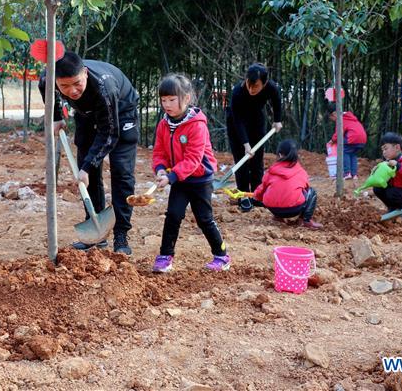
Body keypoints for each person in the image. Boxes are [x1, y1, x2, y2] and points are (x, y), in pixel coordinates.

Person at [39, 51, 138, 255]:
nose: (72, 91)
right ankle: (96, 234)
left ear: (84, 72)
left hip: (121, 109)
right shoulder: (48, 78)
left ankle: (121, 235)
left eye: (76, 83)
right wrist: (57, 116)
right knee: (88, 173)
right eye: (64, 86)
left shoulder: (104, 86)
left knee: (121, 172)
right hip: (86, 113)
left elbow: (110, 133)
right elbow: (44, 88)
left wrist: (86, 167)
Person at [150, 74, 229, 273]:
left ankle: (222, 255)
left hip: (200, 178)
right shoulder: (163, 124)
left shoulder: (197, 125)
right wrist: (160, 169)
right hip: (178, 178)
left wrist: (171, 177)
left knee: (204, 219)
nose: (166, 104)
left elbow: (194, 159)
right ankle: (165, 256)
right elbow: (159, 152)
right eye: (163, 100)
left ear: (186, 98)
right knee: (173, 215)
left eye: (171, 100)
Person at [225, 63, 283, 212]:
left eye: (255, 86)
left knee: (257, 161)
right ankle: (244, 196)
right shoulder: (238, 92)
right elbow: (237, 120)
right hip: (237, 125)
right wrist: (245, 144)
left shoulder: (271, 87)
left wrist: (277, 120)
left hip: (257, 121)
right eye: (249, 85)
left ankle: (256, 195)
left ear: (264, 83)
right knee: (242, 161)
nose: (251, 89)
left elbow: (276, 100)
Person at [251, 139, 322, 229]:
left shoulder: (271, 171)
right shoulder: (301, 171)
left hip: (274, 209)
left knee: (270, 191)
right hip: (294, 209)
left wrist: (257, 195)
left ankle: (278, 217)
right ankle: (306, 220)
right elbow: (306, 188)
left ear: (280, 155)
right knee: (311, 192)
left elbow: (262, 189)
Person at [370, 132, 402, 220]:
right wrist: (376, 172)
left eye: (386, 149)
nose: (384, 152)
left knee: (392, 193)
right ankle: (393, 208)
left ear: (397, 147)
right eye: (382, 150)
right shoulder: (387, 162)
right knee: (378, 188)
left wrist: (398, 166)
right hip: (397, 191)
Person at [326, 102, 368, 181]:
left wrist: (332, 140)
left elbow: (339, 132)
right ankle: (354, 174)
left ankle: (347, 173)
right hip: (362, 139)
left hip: (353, 138)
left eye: (331, 117)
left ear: (334, 114)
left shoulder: (342, 119)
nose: (332, 120)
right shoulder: (350, 117)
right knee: (353, 154)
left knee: (344, 150)